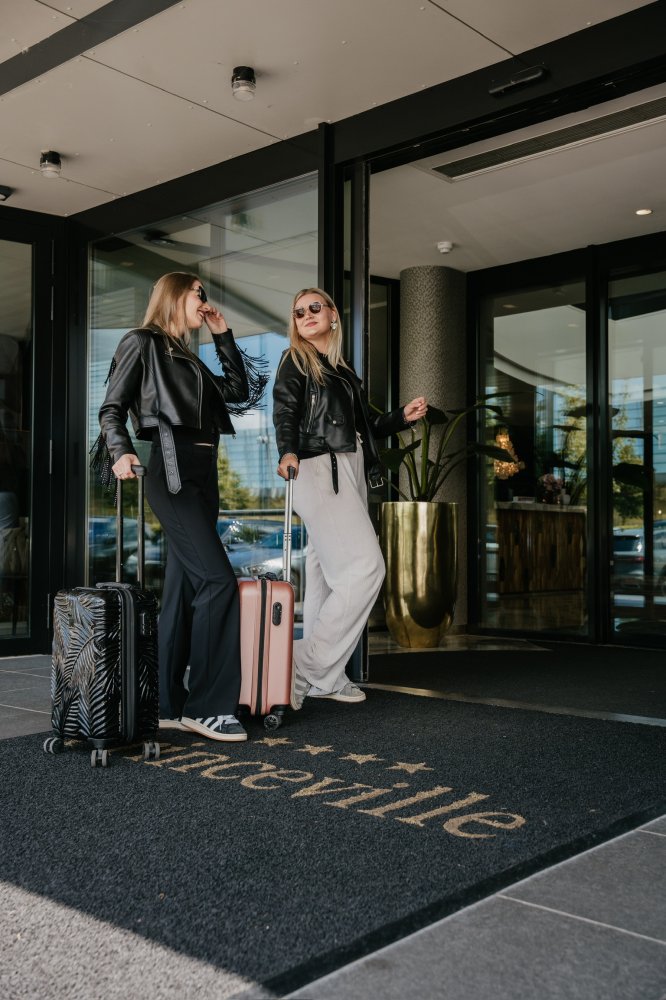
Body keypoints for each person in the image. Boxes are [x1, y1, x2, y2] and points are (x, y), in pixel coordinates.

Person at [98, 272, 266, 742]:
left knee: (183, 590)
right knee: (217, 582)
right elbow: (111, 407)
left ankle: (166, 702)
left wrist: (222, 336)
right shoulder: (143, 342)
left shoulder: (188, 357)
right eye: (197, 293)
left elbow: (237, 391)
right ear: (174, 296)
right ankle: (208, 706)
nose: (204, 300)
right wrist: (120, 451)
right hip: (171, 472)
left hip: (203, 474)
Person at [273, 287, 427, 709]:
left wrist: (400, 418)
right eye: (298, 311)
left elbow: (363, 427)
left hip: (349, 468)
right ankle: (304, 664)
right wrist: (286, 451)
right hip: (318, 467)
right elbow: (285, 410)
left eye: (314, 307)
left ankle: (325, 678)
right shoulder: (295, 359)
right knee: (365, 568)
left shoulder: (340, 369)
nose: (306, 315)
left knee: (326, 574)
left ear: (333, 315)